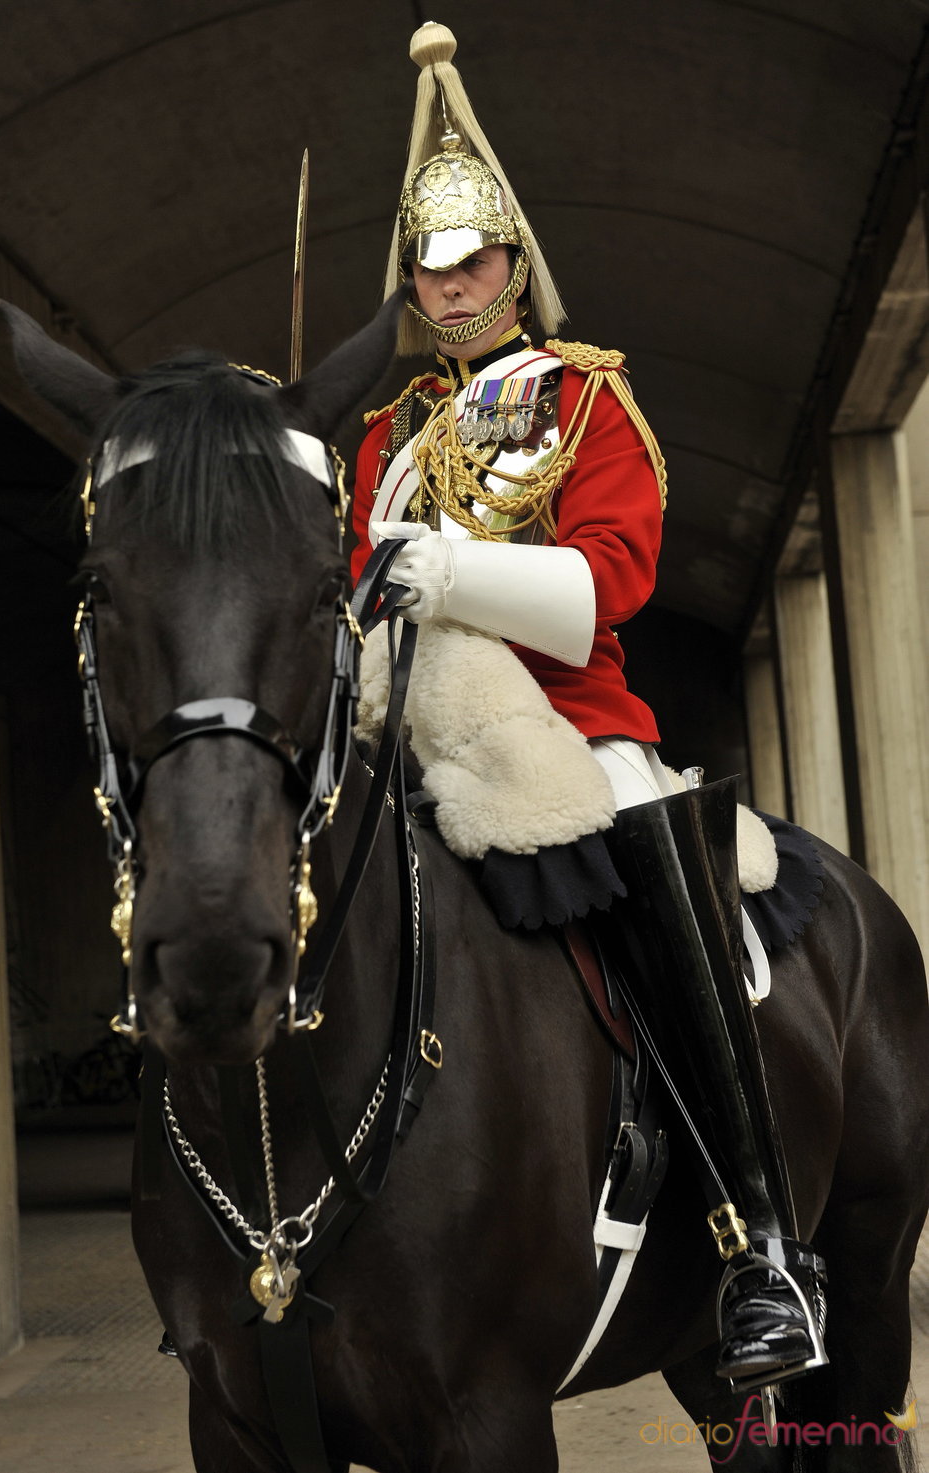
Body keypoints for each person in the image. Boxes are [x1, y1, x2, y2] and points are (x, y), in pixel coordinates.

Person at [351, 20, 827, 1393]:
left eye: (473, 260)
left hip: (572, 726)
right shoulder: (378, 437)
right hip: (407, 728)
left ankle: (758, 1248)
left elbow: (611, 583)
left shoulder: (581, 400)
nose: (450, 288)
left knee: (652, 854)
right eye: (429, 267)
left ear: (513, 263)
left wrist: (446, 567)